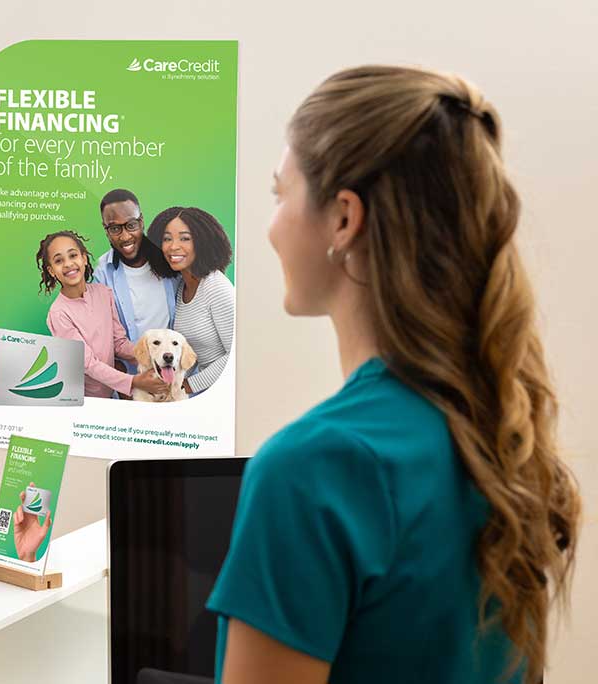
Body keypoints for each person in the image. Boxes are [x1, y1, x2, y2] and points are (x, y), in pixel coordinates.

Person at [207, 66, 581, 684]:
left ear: (344, 219)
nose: (271, 224)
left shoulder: (312, 468)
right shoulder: (502, 438)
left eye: (280, 195)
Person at [37, 230, 167, 399]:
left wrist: (151, 356)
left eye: (73, 255)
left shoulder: (103, 293)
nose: (68, 264)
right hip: (83, 399)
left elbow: (119, 343)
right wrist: (133, 381)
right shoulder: (59, 314)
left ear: (84, 258)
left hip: (110, 392)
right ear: (52, 271)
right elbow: (88, 364)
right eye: (59, 260)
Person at [149, 206, 235, 395]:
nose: (173, 246)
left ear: (202, 242)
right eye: (167, 239)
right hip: (204, 394)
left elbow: (237, 355)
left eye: (184, 238)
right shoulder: (182, 288)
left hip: (224, 393)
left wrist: (187, 385)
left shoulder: (216, 287)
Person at [94, 189, 178, 353]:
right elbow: (104, 336)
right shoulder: (102, 274)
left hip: (174, 368)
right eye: (114, 229)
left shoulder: (168, 258)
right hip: (133, 373)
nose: (125, 237)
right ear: (106, 230)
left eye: (131, 225)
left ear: (141, 221)